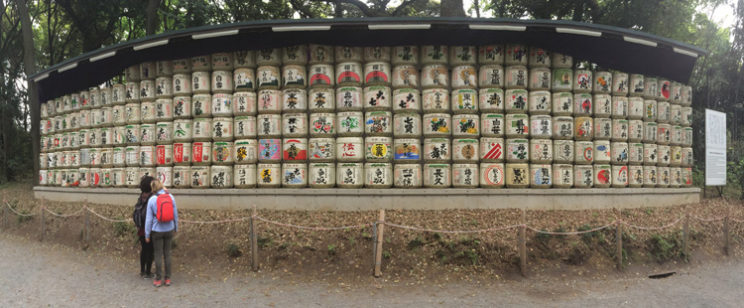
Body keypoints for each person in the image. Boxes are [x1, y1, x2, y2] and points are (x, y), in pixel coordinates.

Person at [145, 179, 178, 287]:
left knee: (158, 254)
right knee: (167, 254)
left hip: (157, 231)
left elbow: (149, 219)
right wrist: (176, 228)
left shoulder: (152, 200)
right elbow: (175, 214)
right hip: (169, 229)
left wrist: (147, 234)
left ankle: (158, 279)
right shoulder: (170, 197)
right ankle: (168, 278)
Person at [135, 176, 154, 278]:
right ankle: (148, 271)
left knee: (144, 249)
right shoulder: (152, 197)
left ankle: (142, 270)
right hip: (149, 228)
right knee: (150, 250)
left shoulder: (141, 196)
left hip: (141, 228)